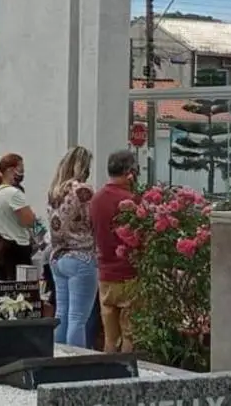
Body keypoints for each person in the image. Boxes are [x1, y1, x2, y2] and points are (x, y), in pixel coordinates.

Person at [89, 149, 139, 353]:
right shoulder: (130, 200)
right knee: (130, 334)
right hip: (128, 273)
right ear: (130, 171)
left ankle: (107, 375)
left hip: (105, 273)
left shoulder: (96, 199)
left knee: (110, 338)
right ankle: (126, 377)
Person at [47, 146, 97, 348]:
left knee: (62, 313)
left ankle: (58, 357)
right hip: (81, 256)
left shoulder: (55, 191)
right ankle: (77, 362)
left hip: (58, 256)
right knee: (78, 318)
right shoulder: (83, 191)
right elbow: (94, 220)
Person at [0, 153, 36, 280]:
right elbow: (29, 221)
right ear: (10, 170)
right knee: (20, 290)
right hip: (16, 246)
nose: (23, 172)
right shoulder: (13, 193)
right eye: (21, 168)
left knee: (4, 288)